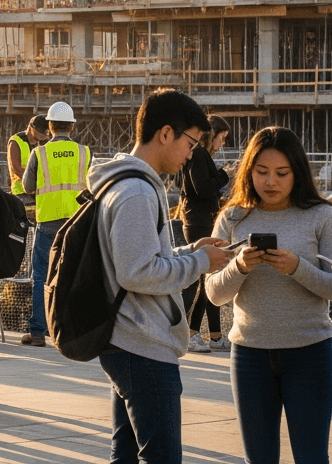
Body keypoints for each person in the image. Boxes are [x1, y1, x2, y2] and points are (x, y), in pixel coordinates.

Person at [91, 89, 232, 463]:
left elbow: (141, 260)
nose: (191, 154)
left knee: (124, 456)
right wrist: (201, 263)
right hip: (143, 344)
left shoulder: (121, 182)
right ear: (166, 134)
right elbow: (138, 272)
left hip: (127, 338)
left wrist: (191, 251)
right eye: (191, 142)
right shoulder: (137, 191)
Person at [202, 126, 332, 464]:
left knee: (312, 457)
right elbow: (213, 293)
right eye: (262, 172)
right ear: (248, 171)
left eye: (281, 173)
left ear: (297, 172)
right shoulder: (232, 217)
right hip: (249, 355)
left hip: (309, 353)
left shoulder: (322, 215)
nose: (271, 182)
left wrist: (297, 267)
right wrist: (239, 267)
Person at [21, 102, 91, 347]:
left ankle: (38, 331)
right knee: (74, 275)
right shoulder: (85, 152)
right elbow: (93, 187)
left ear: (49, 126)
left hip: (48, 220)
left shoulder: (39, 153)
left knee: (41, 276)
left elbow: (28, 186)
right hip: (76, 222)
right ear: (72, 126)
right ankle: (72, 331)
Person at [181, 115, 232, 353]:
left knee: (210, 279)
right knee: (203, 281)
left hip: (199, 221)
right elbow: (203, 188)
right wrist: (225, 175)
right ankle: (190, 334)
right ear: (213, 135)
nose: (222, 144)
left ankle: (215, 336)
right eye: (222, 138)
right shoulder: (200, 155)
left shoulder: (199, 156)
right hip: (200, 223)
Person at [7, 114, 49, 206]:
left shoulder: (42, 144)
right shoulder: (16, 141)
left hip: (39, 192)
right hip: (21, 193)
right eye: (43, 133)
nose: (45, 136)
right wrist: (34, 183)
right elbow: (16, 168)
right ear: (32, 128)